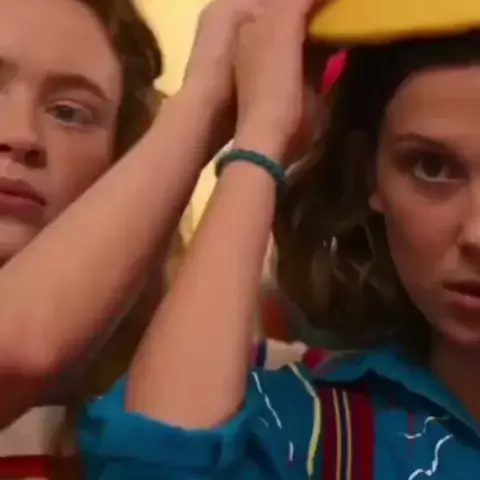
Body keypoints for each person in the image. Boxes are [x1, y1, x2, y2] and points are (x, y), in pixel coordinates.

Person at [75, 0, 480, 478]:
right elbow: (152, 465)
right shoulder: (310, 428)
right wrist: (261, 137)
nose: (476, 235)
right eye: (431, 167)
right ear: (368, 174)